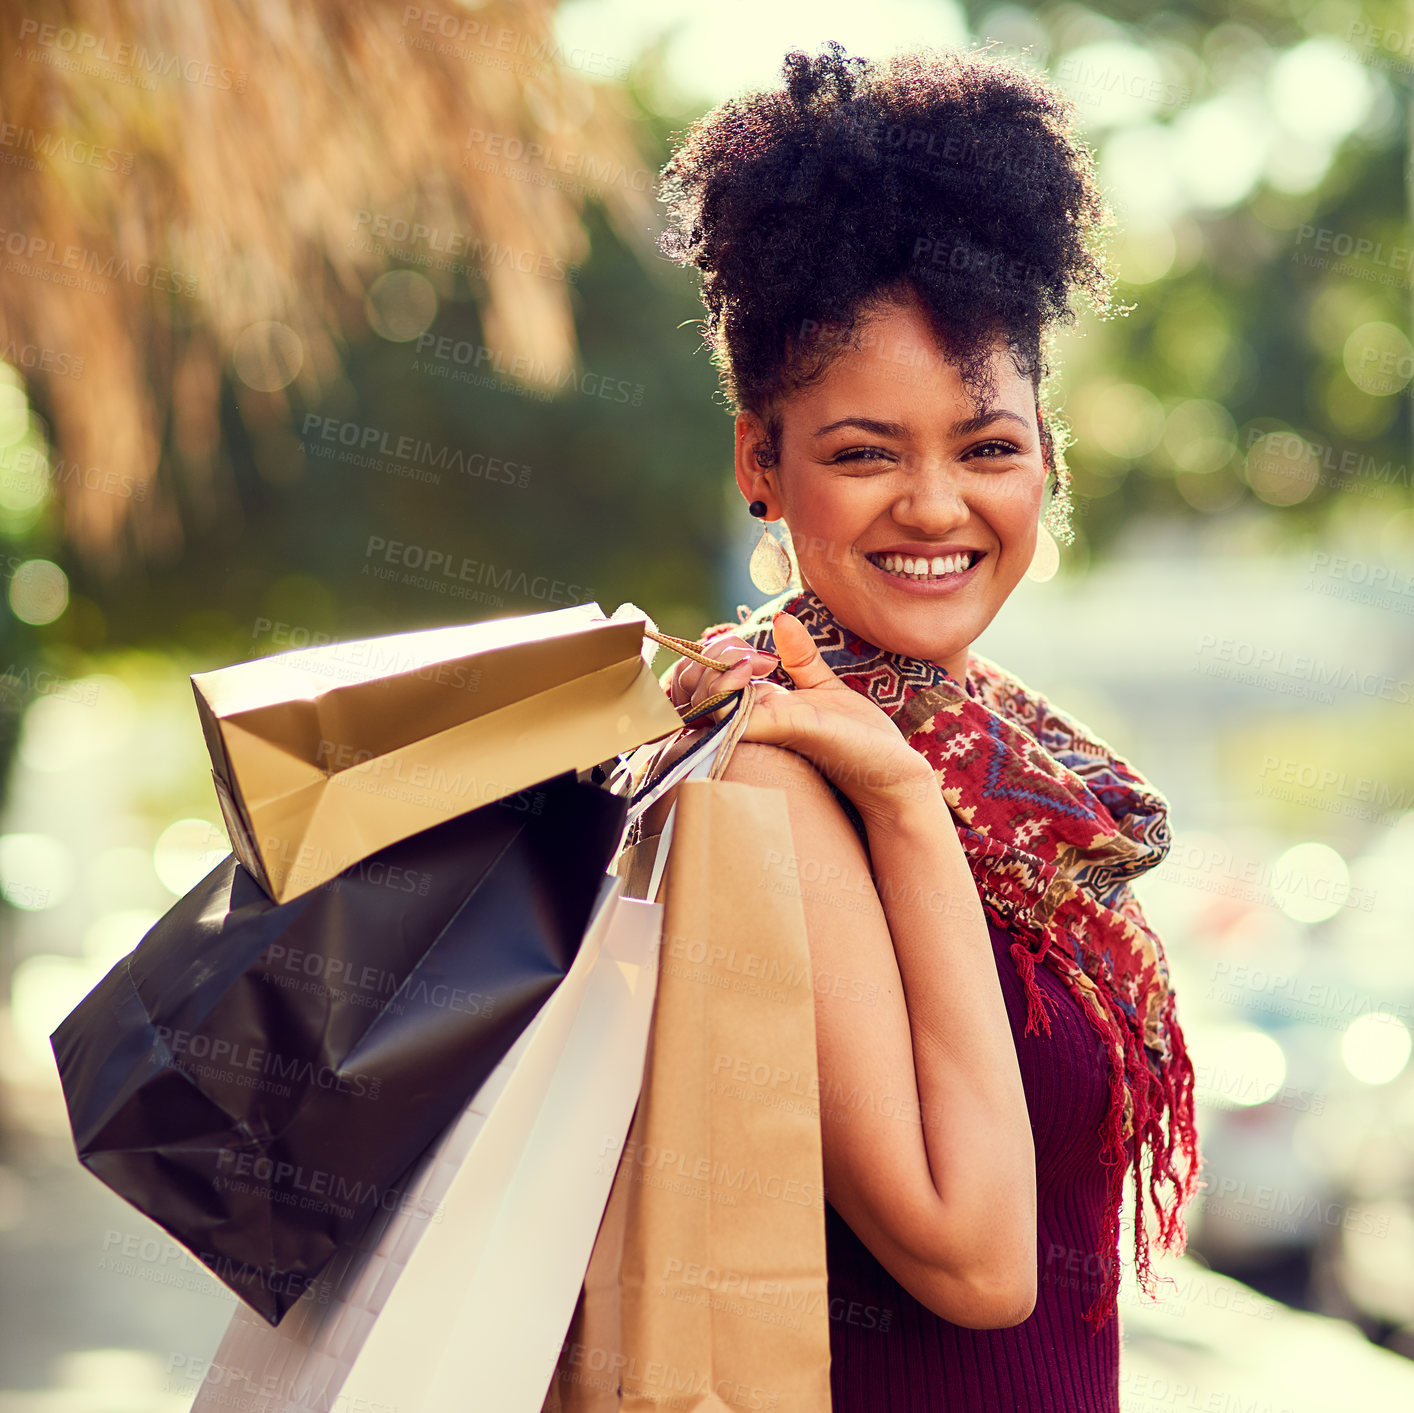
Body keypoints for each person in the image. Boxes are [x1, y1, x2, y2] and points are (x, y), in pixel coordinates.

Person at [641, 41, 1202, 1411]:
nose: (937, 506)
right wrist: (895, 802)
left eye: (986, 444)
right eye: (862, 451)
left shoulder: (1007, 777)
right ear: (757, 465)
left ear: (1044, 454)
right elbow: (972, 1260)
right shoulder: (783, 771)